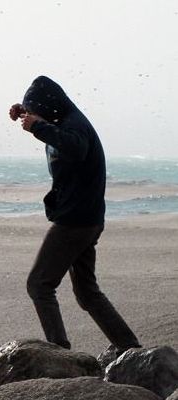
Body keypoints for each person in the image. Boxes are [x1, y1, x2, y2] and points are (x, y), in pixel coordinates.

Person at [9, 75, 140, 353]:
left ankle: (59, 353)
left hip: (75, 222)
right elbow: (57, 134)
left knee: (39, 285)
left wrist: (38, 127)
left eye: (36, 110)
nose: (34, 116)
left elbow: (76, 147)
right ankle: (129, 348)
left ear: (50, 106)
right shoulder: (61, 121)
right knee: (87, 292)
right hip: (86, 219)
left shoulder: (74, 125)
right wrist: (26, 111)